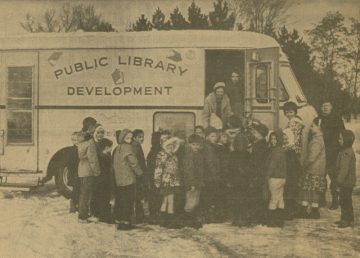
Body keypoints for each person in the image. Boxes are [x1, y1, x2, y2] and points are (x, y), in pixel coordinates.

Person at [314, 99, 345, 210]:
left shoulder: (337, 119)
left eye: (327, 106)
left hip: (333, 153)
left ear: (331, 108)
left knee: (334, 177)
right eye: (323, 106)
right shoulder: (317, 120)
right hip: (320, 153)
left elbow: (342, 135)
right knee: (320, 176)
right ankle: (321, 199)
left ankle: (335, 200)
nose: (325, 108)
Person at [113, 129, 143, 230]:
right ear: (123, 138)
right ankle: (126, 222)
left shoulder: (118, 148)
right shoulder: (128, 148)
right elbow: (133, 162)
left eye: (130, 138)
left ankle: (120, 221)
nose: (129, 140)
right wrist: (140, 173)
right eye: (127, 138)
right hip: (129, 179)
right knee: (128, 201)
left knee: (121, 200)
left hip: (120, 179)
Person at [298, 121, 326, 219]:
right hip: (316, 169)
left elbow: (312, 157)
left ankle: (312, 211)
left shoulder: (316, 140)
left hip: (313, 170)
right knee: (312, 190)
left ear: (319, 127)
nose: (311, 128)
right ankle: (311, 210)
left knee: (311, 190)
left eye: (313, 126)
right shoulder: (318, 139)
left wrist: (304, 164)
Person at [154, 137, 182, 228]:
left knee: (166, 200)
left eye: (172, 145)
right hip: (166, 181)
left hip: (173, 181)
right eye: (168, 145)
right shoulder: (162, 155)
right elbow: (158, 168)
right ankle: (170, 221)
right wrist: (157, 181)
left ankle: (163, 220)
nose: (171, 147)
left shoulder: (174, 155)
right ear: (165, 145)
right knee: (170, 200)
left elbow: (176, 169)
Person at [77, 124, 101, 223]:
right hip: (88, 171)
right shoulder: (91, 143)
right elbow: (93, 160)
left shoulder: (81, 142)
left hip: (82, 170)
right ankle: (83, 216)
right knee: (87, 195)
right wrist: (97, 172)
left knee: (83, 193)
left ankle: (82, 215)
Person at [146, 130, 171, 224]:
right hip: (156, 178)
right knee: (156, 196)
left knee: (157, 196)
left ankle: (156, 215)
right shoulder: (156, 152)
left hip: (158, 178)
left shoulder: (156, 151)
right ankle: (156, 216)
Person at [248, 122, 269, 225]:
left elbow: (255, 161)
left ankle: (258, 217)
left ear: (260, 134)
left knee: (256, 195)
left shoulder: (259, 145)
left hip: (257, 173)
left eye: (255, 132)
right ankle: (260, 216)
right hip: (260, 172)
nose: (253, 133)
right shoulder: (263, 143)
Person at [182, 134, 204, 229]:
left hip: (198, 182)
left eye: (197, 144)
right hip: (192, 183)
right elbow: (189, 171)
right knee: (190, 201)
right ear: (189, 144)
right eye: (193, 144)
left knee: (196, 201)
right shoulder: (189, 156)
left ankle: (193, 220)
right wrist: (192, 183)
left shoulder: (198, 155)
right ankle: (189, 221)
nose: (196, 147)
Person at [335, 130, 356, 228]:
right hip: (347, 182)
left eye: (340, 139)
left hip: (346, 182)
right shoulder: (345, 150)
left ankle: (345, 220)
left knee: (344, 201)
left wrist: (338, 181)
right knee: (347, 200)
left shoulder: (346, 152)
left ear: (346, 140)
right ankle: (349, 219)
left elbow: (344, 169)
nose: (339, 140)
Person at [266, 130, 287, 227]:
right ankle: (280, 220)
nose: (273, 141)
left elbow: (272, 165)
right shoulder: (282, 150)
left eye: (275, 139)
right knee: (280, 198)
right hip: (282, 178)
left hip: (274, 178)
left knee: (273, 199)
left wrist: (267, 176)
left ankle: (271, 221)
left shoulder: (275, 151)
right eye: (272, 139)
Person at [229, 133, 250, 226]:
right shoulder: (248, 154)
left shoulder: (232, 154)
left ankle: (237, 218)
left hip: (235, 181)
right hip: (243, 181)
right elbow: (251, 167)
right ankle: (242, 218)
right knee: (243, 199)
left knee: (236, 200)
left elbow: (229, 167)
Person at [91, 138, 113, 223]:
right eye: (110, 147)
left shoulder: (101, 156)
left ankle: (100, 214)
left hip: (101, 180)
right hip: (104, 181)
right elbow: (106, 170)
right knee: (104, 198)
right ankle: (104, 216)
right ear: (106, 147)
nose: (111, 148)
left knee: (101, 197)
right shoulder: (105, 157)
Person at [202, 126, 220, 222]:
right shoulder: (208, 147)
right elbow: (210, 162)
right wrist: (215, 174)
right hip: (209, 177)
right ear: (207, 137)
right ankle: (208, 217)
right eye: (212, 136)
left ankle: (207, 216)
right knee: (209, 197)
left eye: (216, 136)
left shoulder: (210, 146)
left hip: (208, 176)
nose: (215, 138)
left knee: (208, 196)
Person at [132, 129, 149, 223]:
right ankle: (138, 216)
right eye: (139, 137)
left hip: (139, 174)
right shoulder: (135, 147)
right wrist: (141, 173)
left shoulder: (137, 146)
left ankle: (139, 215)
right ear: (134, 138)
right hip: (138, 174)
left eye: (142, 137)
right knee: (138, 195)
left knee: (138, 195)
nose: (142, 139)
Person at [68, 131, 85, 213]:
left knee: (79, 190)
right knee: (76, 190)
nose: (75, 142)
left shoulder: (81, 149)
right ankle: (74, 206)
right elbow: (71, 164)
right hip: (75, 173)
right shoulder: (72, 150)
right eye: (73, 140)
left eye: (77, 140)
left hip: (79, 173)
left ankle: (77, 205)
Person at [216, 131, 230, 220]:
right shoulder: (219, 148)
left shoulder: (224, 147)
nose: (225, 139)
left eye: (226, 137)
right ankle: (220, 214)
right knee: (220, 195)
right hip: (222, 174)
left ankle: (222, 214)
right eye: (223, 137)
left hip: (223, 174)